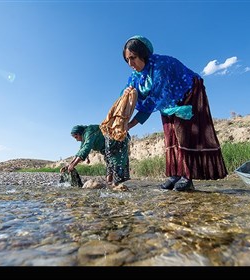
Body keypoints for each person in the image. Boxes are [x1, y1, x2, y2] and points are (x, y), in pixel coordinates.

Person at [122, 35, 228, 191]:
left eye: (134, 58)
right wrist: (126, 97)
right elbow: (125, 100)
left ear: (143, 55)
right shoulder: (136, 77)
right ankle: (176, 174)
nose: (131, 64)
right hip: (168, 101)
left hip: (189, 92)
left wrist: (130, 125)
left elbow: (151, 103)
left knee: (183, 130)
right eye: (127, 60)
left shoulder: (160, 66)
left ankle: (187, 175)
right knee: (169, 131)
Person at [62, 124, 130, 187]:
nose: (77, 140)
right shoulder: (84, 137)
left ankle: (118, 187)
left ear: (79, 133)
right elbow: (80, 151)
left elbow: (86, 148)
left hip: (118, 144)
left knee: (116, 166)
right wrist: (70, 164)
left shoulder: (89, 131)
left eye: (76, 137)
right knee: (109, 167)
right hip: (109, 150)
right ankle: (109, 187)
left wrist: (73, 164)